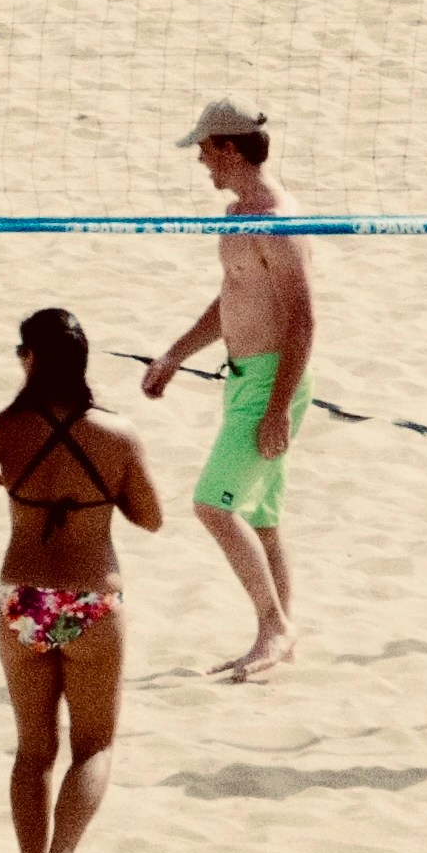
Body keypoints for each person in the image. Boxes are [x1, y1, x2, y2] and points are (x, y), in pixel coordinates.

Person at [0, 307, 167, 853]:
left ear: (30, 359)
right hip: (91, 597)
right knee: (95, 745)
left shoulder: (7, 428)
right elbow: (151, 518)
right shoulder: (117, 434)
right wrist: (99, 491)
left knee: (33, 748)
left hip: (25, 599)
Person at [139, 98, 314, 680]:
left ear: (231, 149)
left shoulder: (277, 221)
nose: (200, 162)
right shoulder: (241, 214)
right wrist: (174, 354)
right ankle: (282, 632)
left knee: (212, 505)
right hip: (244, 378)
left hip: (271, 382)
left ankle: (274, 627)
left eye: (205, 149)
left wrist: (278, 408)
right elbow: (233, 299)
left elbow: (303, 320)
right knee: (261, 515)